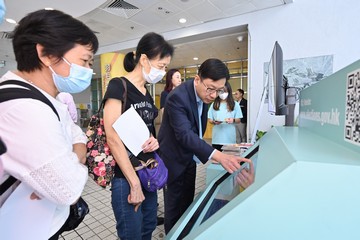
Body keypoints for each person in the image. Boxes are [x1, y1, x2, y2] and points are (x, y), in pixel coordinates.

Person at [0, 9, 98, 239]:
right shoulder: (24, 108)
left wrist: (73, 153)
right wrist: (76, 157)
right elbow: (69, 189)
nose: (87, 70)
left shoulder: (43, 98)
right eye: (84, 60)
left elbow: (76, 132)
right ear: (46, 53)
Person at [158, 58, 254, 234]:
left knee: (187, 203)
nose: (213, 95)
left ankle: (185, 234)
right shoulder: (177, 98)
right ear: (197, 79)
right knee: (173, 207)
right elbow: (185, 134)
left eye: (218, 90)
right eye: (210, 88)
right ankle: (172, 235)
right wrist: (218, 155)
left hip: (189, 157)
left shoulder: (204, 96)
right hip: (173, 159)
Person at [102, 32, 174, 240]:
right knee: (131, 233)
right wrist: (133, 183)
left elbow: (147, 129)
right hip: (125, 176)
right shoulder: (118, 85)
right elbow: (113, 137)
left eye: (165, 67)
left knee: (148, 226)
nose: (162, 72)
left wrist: (154, 140)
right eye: (161, 66)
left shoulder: (146, 92)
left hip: (147, 172)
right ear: (144, 59)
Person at [208, 81, 242, 151]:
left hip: (230, 139)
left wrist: (233, 120)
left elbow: (238, 120)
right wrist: (214, 122)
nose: (222, 93)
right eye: (220, 91)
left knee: (230, 159)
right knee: (217, 161)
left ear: (229, 91)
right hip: (217, 139)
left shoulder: (235, 104)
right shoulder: (214, 104)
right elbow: (210, 119)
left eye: (224, 91)